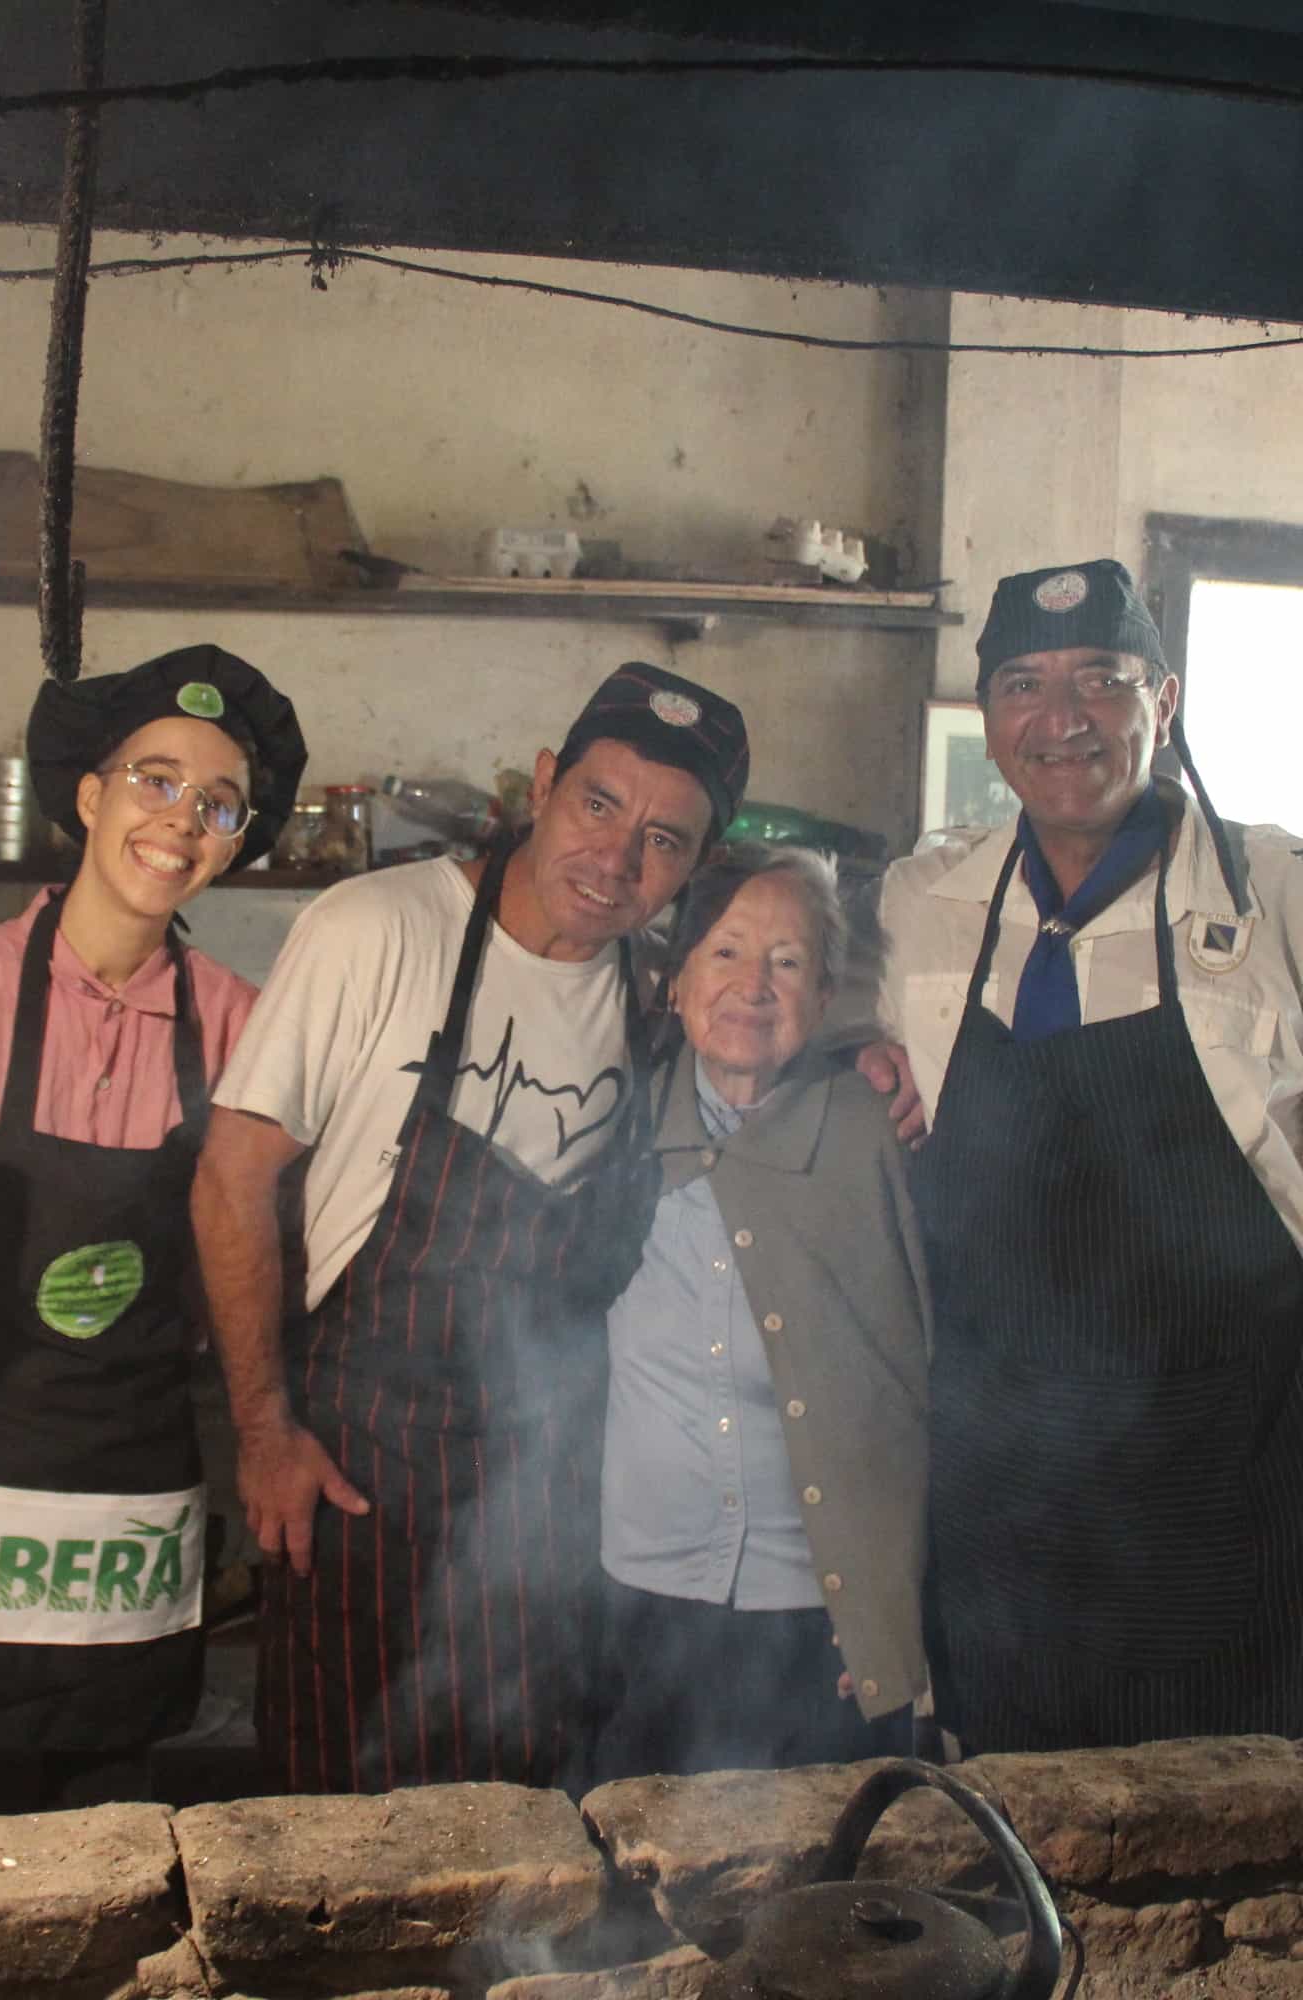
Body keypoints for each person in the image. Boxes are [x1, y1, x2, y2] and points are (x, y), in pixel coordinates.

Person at [193, 661, 750, 1795]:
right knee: (339, 1817)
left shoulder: (660, 995)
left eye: (663, 838)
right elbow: (229, 1183)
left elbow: (796, 1004)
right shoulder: (375, 927)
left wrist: (868, 1050)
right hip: (353, 1473)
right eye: (598, 803)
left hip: (551, 1495)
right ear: (542, 783)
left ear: (694, 865)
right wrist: (262, 1433)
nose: (616, 856)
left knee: (532, 1815)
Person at [0, 645, 306, 1815]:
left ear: (235, 843)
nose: (179, 820)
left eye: (216, 804)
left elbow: (248, 1246)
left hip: (125, 1480)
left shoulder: (240, 1022)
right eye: (154, 781)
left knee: (103, 1836)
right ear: (90, 797)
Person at [876, 557, 1303, 1754]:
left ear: (1159, 704)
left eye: (1100, 680)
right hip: (999, 1470)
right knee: (1019, 1805)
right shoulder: (924, 899)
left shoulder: (1268, 889)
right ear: (988, 713)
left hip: (1234, 1457)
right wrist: (856, 1060)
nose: (1061, 718)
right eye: (1023, 683)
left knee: (1230, 1808)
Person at [593, 844, 929, 1779]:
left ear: (826, 998)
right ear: (676, 980)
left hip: (822, 1620)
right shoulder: (614, 1129)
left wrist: (885, 1615)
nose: (754, 985)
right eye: (727, 953)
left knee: (834, 1896)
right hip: (647, 1594)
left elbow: (939, 1375)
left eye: (787, 962)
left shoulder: (881, 1132)